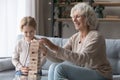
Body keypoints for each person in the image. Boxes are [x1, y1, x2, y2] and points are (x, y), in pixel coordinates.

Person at [39, 3, 113, 80]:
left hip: (101, 74)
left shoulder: (96, 37)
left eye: (78, 16)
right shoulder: (75, 37)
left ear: (87, 18)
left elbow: (82, 59)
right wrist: (45, 50)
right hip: (86, 71)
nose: (74, 20)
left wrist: (53, 46)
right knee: (53, 66)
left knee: (60, 69)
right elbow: (59, 58)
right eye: (73, 17)